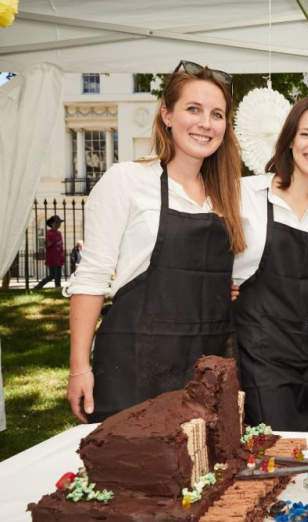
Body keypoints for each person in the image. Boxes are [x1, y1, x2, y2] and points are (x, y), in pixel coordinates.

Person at [67, 60, 245, 423]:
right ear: (166, 114)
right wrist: (78, 368)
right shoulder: (127, 180)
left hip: (201, 375)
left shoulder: (226, 196)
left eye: (217, 114)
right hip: (133, 369)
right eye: (193, 109)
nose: (205, 123)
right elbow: (91, 278)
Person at [232, 97, 308, 431]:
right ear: (289, 140)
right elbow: (202, 261)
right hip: (258, 362)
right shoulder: (246, 196)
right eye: (306, 134)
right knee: (275, 454)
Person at [34, 215, 65, 289]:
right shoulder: (49, 233)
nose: (59, 224)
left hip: (59, 257)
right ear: (53, 224)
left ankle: (58, 286)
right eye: (58, 222)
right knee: (52, 275)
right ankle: (39, 285)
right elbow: (47, 244)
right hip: (52, 257)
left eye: (60, 223)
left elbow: (60, 245)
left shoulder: (59, 233)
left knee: (58, 274)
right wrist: (50, 242)